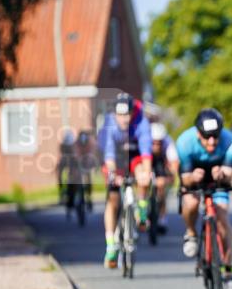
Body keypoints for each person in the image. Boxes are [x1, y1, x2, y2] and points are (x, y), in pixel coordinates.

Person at [176, 108, 232, 289]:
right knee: (191, 203)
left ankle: (228, 272)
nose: (211, 141)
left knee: (222, 219)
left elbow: (230, 174)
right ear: (198, 134)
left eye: (215, 136)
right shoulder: (184, 142)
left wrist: (223, 174)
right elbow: (185, 178)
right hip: (193, 173)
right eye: (206, 137)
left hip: (218, 176)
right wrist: (192, 178)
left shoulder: (231, 140)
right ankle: (191, 234)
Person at [97, 92, 152, 268]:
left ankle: (141, 209)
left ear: (132, 112)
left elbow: (146, 151)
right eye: (120, 115)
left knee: (144, 174)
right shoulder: (109, 124)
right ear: (114, 113)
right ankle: (111, 245)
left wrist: (146, 174)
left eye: (127, 114)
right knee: (112, 200)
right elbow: (109, 154)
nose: (124, 119)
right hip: (115, 159)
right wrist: (113, 175)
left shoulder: (141, 121)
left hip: (134, 155)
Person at [150, 123, 180, 234]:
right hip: (148, 161)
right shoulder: (144, 143)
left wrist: (170, 178)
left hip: (161, 165)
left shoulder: (168, 144)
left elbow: (174, 164)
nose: (156, 146)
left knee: (162, 189)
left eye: (159, 143)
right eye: (153, 143)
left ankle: (162, 217)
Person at [74, 130, 97, 212]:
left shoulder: (90, 142)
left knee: (89, 181)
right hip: (79, 164)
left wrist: (90, 163)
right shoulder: (77, 143)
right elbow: (76, 154)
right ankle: (80, 195)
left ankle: (89, 199)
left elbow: (92, 153)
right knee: (79, 180)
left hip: (88, 163)